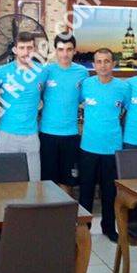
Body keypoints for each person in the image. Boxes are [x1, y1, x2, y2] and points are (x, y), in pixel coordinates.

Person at [78, 48, 128, 243]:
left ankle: (108, 227)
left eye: (107, 61)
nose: (103, 65)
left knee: (109, 192)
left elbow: (127, 111)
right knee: (86, 191)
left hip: (112, 148)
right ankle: (84, 228)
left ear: (113, 64)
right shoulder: (86, 85)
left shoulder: (123, 88)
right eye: (99, 61)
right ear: (93, 65)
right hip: (88, 147)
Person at [39, 33, 88, 192]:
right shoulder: (46, 71)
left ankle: (65, 209)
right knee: (47, 183)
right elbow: (36, 96)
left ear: (74, 51)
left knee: (67, 181)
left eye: (69, 49)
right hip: (47, 134)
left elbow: (84, 99)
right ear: (55, 51)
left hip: (70, 135)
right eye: (61, 49)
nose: (65, 54)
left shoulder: (82, 72)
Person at [0, 32, 47, 181]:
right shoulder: (1, 72)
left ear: (34, 49)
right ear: (15, 50)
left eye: (29, 48)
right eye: (22, 48)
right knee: (5, 182)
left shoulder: (42, 72)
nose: (26, 52)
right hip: (6, 134)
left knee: (33, 181)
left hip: (31, 135)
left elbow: (45, 95)